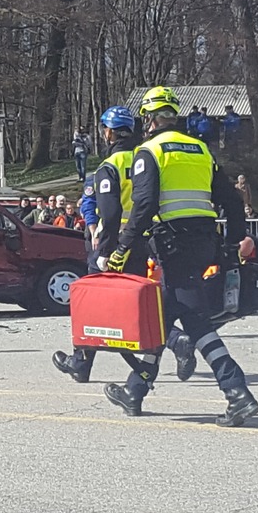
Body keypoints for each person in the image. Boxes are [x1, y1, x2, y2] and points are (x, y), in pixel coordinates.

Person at [100, 87, 258, 427]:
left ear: (150, 119)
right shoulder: (200, 149)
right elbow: (231, 202)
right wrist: (232, 244)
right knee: (165, 312)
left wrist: (120, 250)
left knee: (195, 319)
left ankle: (237, 390)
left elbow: (143, 207)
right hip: (205, 243)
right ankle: (136, 389)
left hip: (173, 245)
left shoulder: (150, 151)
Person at [53, 105, 197, 384]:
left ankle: (173, 340)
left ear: (108, 132)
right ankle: (82, 363)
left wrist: (104, 251)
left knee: (93, 303)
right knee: (138, 303)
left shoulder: (111, 165)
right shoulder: (146, 155)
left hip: (116, 241)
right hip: (144, 240)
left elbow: (109, 213)